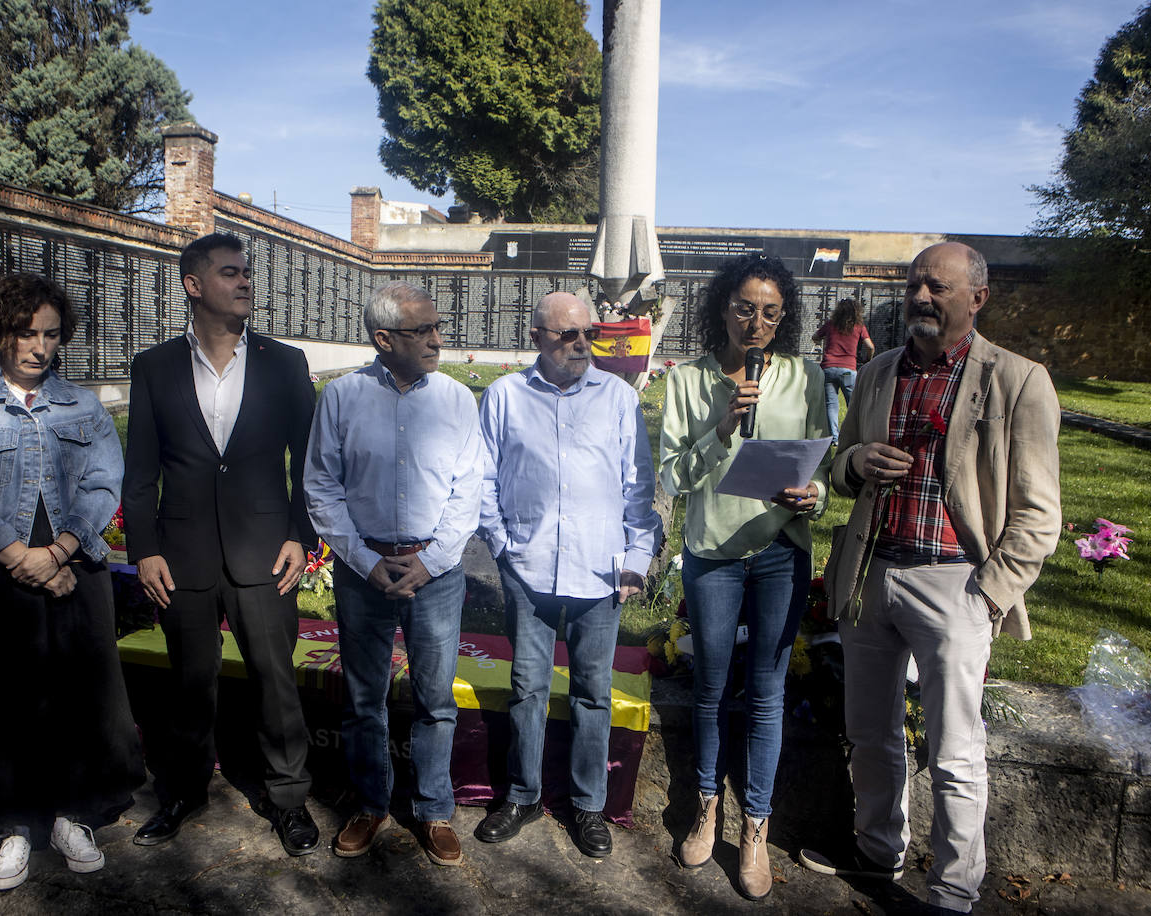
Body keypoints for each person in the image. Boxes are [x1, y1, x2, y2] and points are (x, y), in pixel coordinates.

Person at [800, 242, 1061, 914]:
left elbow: (1038, 515)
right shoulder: (879, 370)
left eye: (937, 287)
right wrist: (858, 462)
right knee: (870, 732)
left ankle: (951, 891)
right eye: (915, 283)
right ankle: (876, 851)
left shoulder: (1018, 380)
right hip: (871, 575)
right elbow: (838, 468)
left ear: (977, 297)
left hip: (957, 585)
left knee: (954, 752)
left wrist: (988, 593)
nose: (921, 296)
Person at [0, 272, 143, 890]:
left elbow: (104, 481)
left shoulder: (84, 406)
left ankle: (73, 813)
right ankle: (15, 824)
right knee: (2, 699)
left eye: (50, 335)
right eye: (25, 333)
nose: (38, 347)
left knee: (76, 693)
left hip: (73, 570)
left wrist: (64, 549)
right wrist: (21, 558)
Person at [122, 233, 320, 857]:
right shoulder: (153, 367)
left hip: (265, 549)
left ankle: (288, 800)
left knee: (274, 680)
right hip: (181, 553)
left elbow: (312, 464)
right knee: (190, 681)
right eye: (230, 273)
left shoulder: (284, 364)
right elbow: (140, 470)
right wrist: (145, 548)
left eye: (246, 274)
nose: (245, 283)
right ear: (193, 284)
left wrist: (300, 536)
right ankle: (180, 791)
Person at [659, 254, 830, 898]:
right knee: (710, 684)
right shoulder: (688, 380)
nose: (754, 323)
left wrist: (812, 496)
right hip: (714, 553)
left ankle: (755, 823)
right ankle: (706, 802)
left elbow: (823, 464)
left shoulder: (804, 376)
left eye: (769, 312)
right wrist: (723, 425)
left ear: (782, 319)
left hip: (781, 551)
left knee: (767, 690)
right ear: (722, 306)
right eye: (743, 307)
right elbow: (673, 475)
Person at [474, 291, 662, 858]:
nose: (582, 344)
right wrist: (503, 545)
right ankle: (523, 795)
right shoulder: (505, 396)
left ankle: (587, 806)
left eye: (589, 333)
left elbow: (639, 485)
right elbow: (484, 475)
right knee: (527, 688)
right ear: (537, 339)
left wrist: (636, 559)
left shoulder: (618, 399)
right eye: (568, 335)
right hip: (527, 570)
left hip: (598, 573)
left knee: (592, 693)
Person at [304, 281, 482, 867]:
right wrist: (364, 560)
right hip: (365, 572)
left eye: (437, 328)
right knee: (364, 699)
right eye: (422, 330)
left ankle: (433, 810)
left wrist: (430, 563)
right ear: (383, 339)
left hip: (437, 571)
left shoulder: (457, 399)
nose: (437, 339)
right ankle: (370, 803)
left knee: (436, 698)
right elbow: (321, 486)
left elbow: (468, 489)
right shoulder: (341, 397)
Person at [812, 297, 875, 443]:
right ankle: (855, 436)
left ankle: (835, 438)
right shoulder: (859, 327)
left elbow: (815, 337)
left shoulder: (831, 325)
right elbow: (870, 346)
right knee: (852, 404)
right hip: (848, 370)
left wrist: (820, 341)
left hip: (828, 368)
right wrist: (868, 359)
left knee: (831, 404)